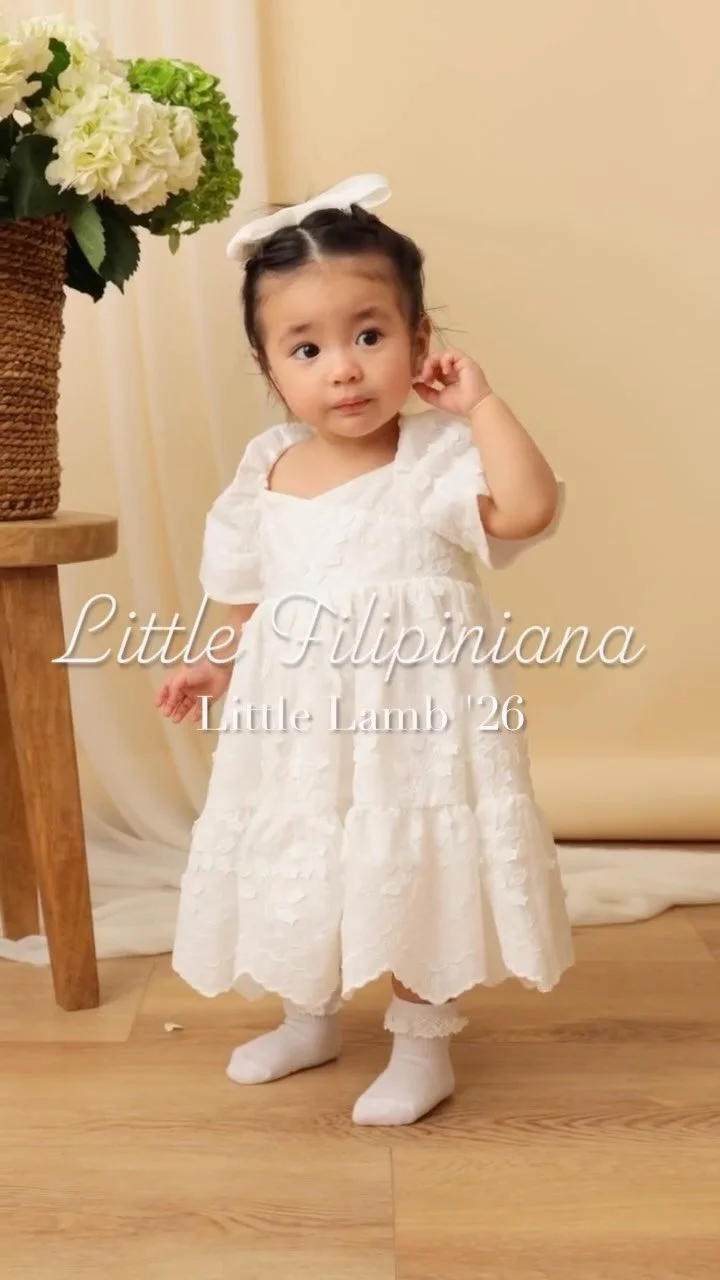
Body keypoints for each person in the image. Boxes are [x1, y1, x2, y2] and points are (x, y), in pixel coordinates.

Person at [156, 173, 575, 1126]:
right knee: (306, 852)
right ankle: (308, 1016)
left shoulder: (433, 456)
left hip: (415, 721)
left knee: (410, 861)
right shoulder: (268, 466)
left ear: (420, 342)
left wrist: (481, 406)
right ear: (270, 368)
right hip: (298, 720)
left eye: (370, 336)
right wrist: (214, 662)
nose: (342, 369)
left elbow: (527, 509)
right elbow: (245, 595)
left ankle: (423, 1046)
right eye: (307, 348)